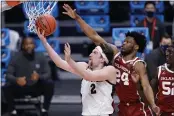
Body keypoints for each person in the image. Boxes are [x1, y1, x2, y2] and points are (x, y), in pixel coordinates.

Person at [62, 4, 160, 116]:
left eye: (128, 42)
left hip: (138, 107)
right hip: (122, 106)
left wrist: (153, 105)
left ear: (136, 47)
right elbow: (94, 36)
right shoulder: (115, 54)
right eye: (124, 41)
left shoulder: (138, 64)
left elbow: (146, 86)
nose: (124, 43)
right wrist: (77, 18)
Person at [37, 29, 117, 116]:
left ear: (102, 59)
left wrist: (70, 60)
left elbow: (89, 76)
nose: (90, 55)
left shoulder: (110, 70)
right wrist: (44, 42)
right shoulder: (84, 67)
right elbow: (59, 63)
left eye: (94, 53)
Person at [3, 37, 54, 116]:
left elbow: (48, 73)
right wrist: (16, 80)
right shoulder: (15, 57)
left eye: (31, 44)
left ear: (34, 45)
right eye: (26, 44)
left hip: (36, 86)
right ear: (23, 46)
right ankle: (12, 110)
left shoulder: (40, 56)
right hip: (20, 86)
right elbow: (8, 75)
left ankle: (44, 110)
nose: (29, 46)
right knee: (6, 87)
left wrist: (39, 77)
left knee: (49, 84)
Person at [151, 42, 174, 116]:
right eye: (167, 51)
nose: (167, 54)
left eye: (170, 52)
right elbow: (151, 92)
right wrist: (153, 107)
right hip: (163, 112)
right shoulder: (160, 70)